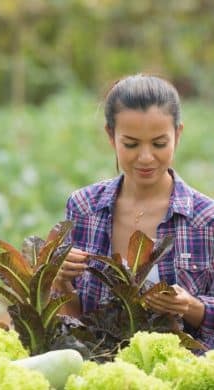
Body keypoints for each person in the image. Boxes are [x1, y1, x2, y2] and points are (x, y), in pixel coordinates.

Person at [52, 74, 214, 350]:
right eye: (131, 144)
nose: (146, 157)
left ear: (178, 134)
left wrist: (190, 306)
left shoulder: (205, 219)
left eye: (159, 143)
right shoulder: (83, 208)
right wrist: (62, 282)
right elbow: (78, 323)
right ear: (110, 136)